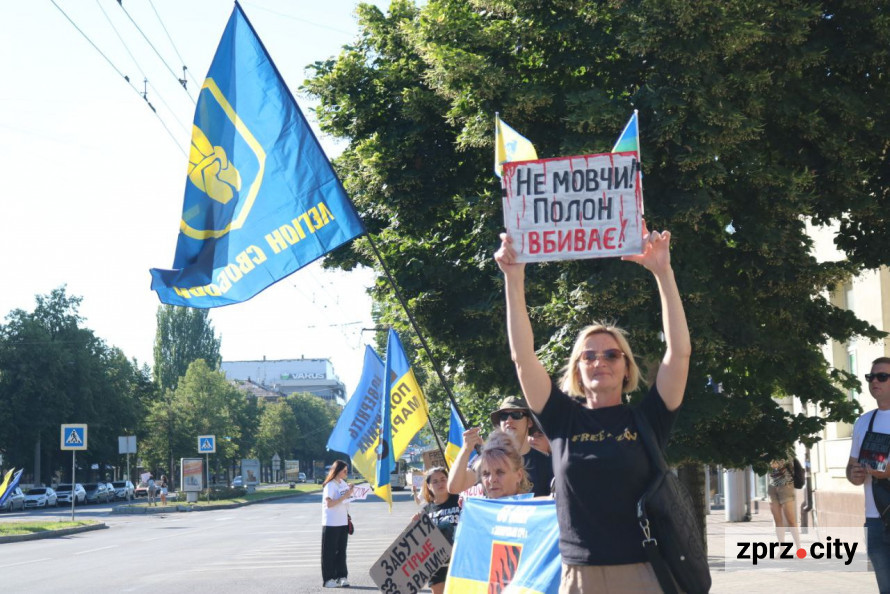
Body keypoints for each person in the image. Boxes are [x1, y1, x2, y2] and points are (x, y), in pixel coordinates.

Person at [495, 223, 691, 592]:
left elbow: (679, 354)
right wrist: (514, 277)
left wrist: (664, 272)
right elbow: (522, 358)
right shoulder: (561, 417)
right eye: (589, 356)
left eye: (611, 354)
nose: (600, 361)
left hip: (644, 572)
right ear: (578, 369)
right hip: (580, 576)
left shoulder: (647, 418)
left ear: (627, 367)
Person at [447, 395, 553, 497]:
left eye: (517, 415)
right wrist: (466, 449)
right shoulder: (487, 460)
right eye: (504, 416)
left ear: (529, 422)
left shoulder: (548, 462)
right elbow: (454, 487)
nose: (509, 420)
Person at [847, 356, 890, 593]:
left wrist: (887, 473)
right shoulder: (863, 422)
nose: (875, 381)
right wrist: (853, 474)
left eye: (882, 376)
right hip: (874, 518)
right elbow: (852, 466)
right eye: (871, 377)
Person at [412, 467, 462, 594]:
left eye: (443, 479)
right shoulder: (426, 510)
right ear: (428, 486)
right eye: (435, 481)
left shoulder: (461, 501)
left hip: (459, 563)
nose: (440, 483)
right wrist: (415, 526)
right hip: (436, 566)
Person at [321, 460, 354, 588]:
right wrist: (346, 495)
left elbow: (346, 500)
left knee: (342, 551)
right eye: (344, 471)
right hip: (331, 523)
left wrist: (351, 490)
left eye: (347, 470)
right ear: (337, 471)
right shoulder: (330, 485)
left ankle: (342, 576)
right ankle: (328, 579)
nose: (346, 473)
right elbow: (329, 504)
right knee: (329, 552)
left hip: (342, 522)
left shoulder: (343, 483)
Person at [767, 456, 801, 548]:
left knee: (791, 519)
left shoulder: (785, 448)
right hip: (772, 486)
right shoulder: (765, 448)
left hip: (786, 486)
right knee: (777, 520)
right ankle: (782, 549)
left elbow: (775, 465)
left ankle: (799, 548)